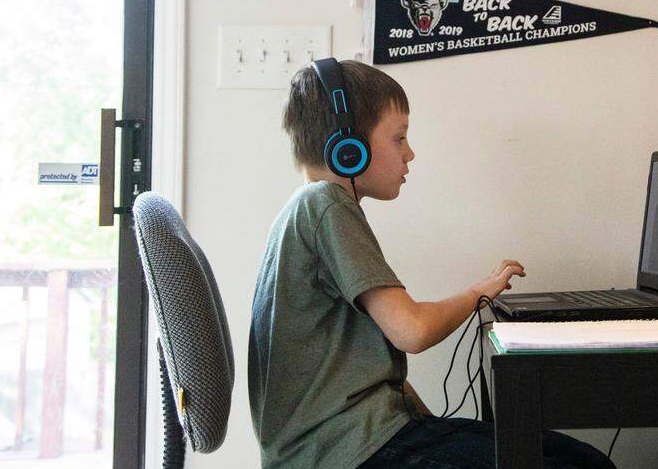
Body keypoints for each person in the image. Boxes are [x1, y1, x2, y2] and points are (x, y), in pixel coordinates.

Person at [249, 58, 617, 469]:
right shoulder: (326, 206)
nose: (410, 153)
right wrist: (480, 291)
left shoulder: (308, 210)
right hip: (340, 450)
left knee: (581, 459)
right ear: (346, 147)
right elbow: (413, 330)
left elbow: (367, 364)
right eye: (398, 138)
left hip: (352, 437)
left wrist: (428, 424)